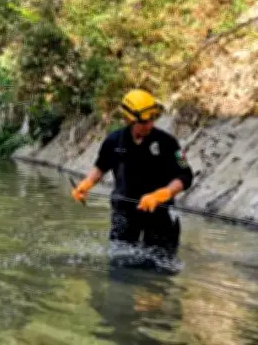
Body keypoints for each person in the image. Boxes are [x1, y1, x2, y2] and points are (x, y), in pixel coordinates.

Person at [71, 89, 194, 264]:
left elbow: (185, 175)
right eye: (143, 122)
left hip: (159, 214)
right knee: (120, 265)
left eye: (152, 120)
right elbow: (100, 167)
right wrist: (86, 184)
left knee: (160, 268)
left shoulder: (168, 143)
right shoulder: (113, 141)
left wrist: (163, 194)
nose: (149, 125)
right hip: (124, 213)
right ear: (129, 119)